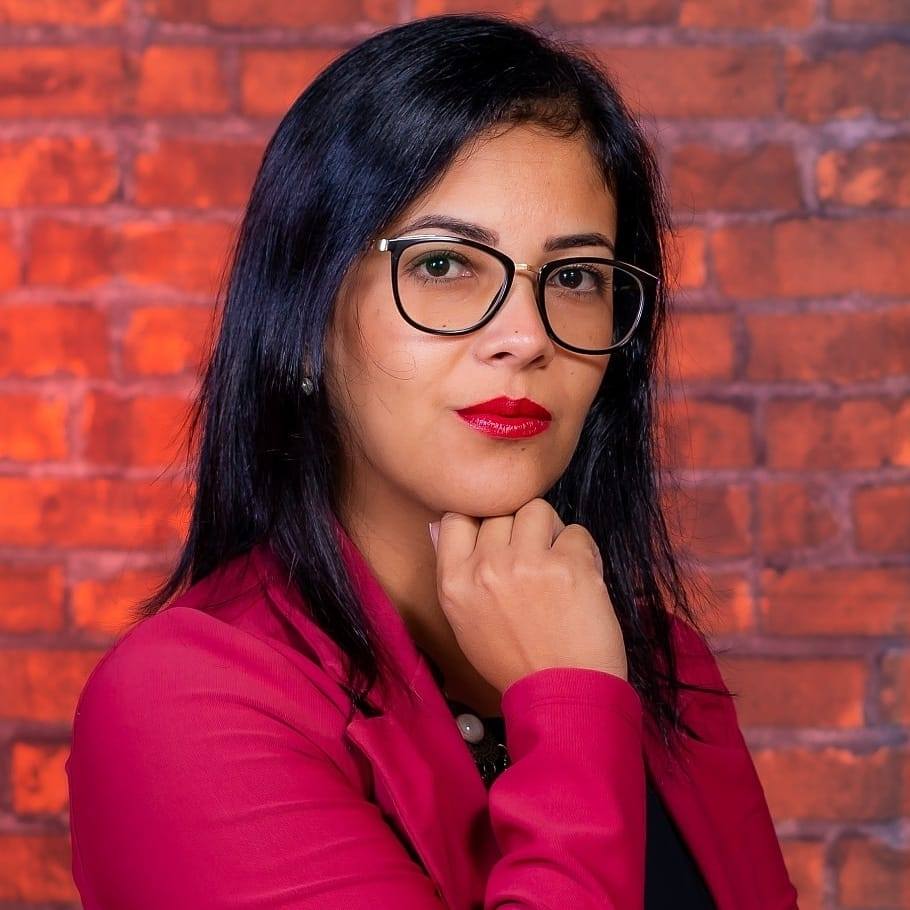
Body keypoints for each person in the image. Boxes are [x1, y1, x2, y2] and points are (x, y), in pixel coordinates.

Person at [64, 13, 800, 909]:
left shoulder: (649, 651)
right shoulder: (182, 704)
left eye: (574, 277)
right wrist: (570, 702)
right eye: (445, 265)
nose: (526, 337)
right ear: (305, 319)